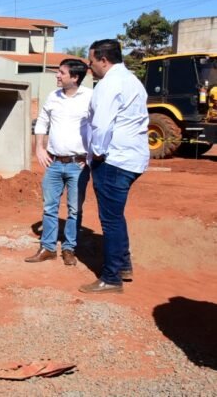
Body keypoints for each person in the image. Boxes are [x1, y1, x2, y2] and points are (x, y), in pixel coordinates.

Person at [79, 39, 149, 294]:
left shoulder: (109, 84)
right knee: (116, 217)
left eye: (91, 61)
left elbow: (102, 124)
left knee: (110, 221)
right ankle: (123, 266)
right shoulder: (133, 81)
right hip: (132, 159)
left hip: (114, 161)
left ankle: (111, 278)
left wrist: (96, 154)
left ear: (103, 61)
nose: (90, 67)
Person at [26, 59, 92, 266]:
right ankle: (47, 248)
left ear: (75, 77)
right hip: (54, 163)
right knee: (49, 207)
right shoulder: (53, 96)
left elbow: (101, 126)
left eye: (61, 73)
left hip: (78, 165)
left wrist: (90, 156)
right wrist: (39, 148)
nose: (57, 75)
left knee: (74, 209)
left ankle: (69, 248)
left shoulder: (91, 97)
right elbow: (42, 122)